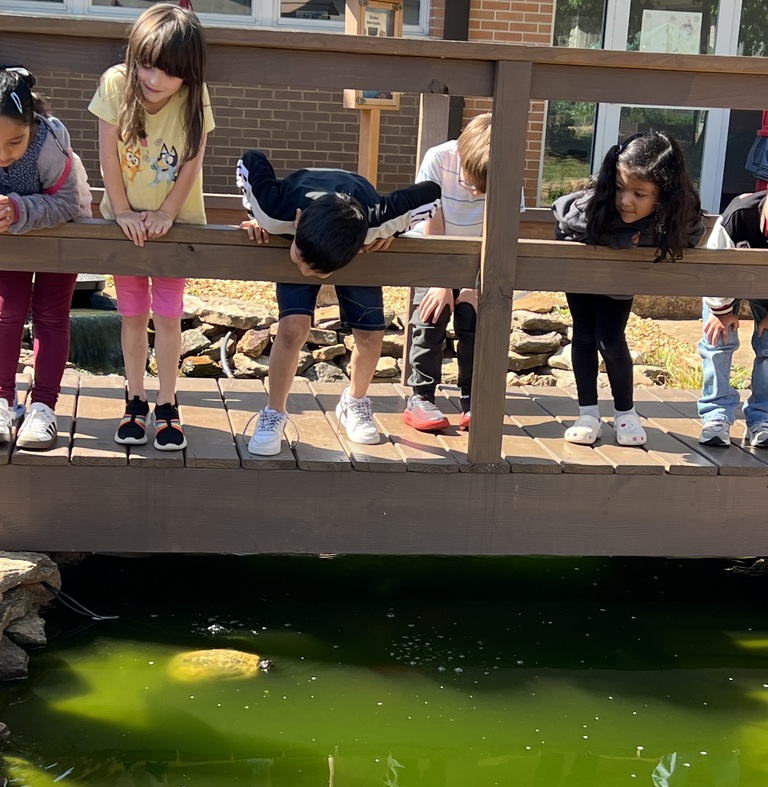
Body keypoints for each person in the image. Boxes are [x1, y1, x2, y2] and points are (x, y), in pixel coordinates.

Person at [236, 149, 441, 456]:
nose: (306, 272)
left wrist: (397, 230)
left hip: (355, 228)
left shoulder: (379, 219)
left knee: (372, 335)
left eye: (318, 272)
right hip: (299, 212)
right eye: (301, 260)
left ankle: (354, 402)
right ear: (297, 222)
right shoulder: (274, 209)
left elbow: (431, 192)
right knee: (292, 329)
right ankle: (274, 412)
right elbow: (251, 160)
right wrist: (255, 214)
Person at [88, 3, 214, 451]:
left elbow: (193, 159)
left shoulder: (195, 96)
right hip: (125, 228)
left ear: (187, 72)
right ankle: (135, 398)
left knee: (169, 314)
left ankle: (167, 403)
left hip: (174, 228)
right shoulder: (115, 83)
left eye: (168, 72)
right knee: (132, 314)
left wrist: (167, 214)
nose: (154, 79)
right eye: (146, 65)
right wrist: (122, 212)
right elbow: (107, 155)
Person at [552, 131, 704, 446]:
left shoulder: (678, 211)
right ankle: (588, 413)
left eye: (639, 194)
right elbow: (565, 216)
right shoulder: (597, 199)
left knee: (610, 337)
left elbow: (691, 233)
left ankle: (626, 413)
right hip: (583, 267)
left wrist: (645, 240)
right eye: (620, 188)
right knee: (584, 334)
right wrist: (616, 239)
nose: (625, 200)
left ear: (664, 194)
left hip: (622, 276)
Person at [402, 113, 523, 433]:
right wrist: (442, 282)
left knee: (474, 316)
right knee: (431, 313)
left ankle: (472, 397)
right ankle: (421, 397)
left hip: (482, 259)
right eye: (470, 183)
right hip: (435, 253)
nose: (474, 193)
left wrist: (475, 286)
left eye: (483, 189)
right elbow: (433, 224)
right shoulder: (438, 159)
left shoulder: (508, 169)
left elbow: (500, 231)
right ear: (461, 154)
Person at [0, 66, 90, 452]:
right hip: (10, 239)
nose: (4, 156)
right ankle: (2, 401)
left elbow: (67, 203)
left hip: (61, 232)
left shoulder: (50, 142)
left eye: (14, 142)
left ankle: (43, 407)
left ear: (31, 124)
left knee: (52, 314)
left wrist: (18, 208)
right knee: (5, 311)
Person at [696, 191, 768, 447]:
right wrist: (722, 311)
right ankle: (716, 414)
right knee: (717, 340)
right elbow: (714, 268)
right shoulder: (738, 215)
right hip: (728, 278)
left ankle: (762, 416)